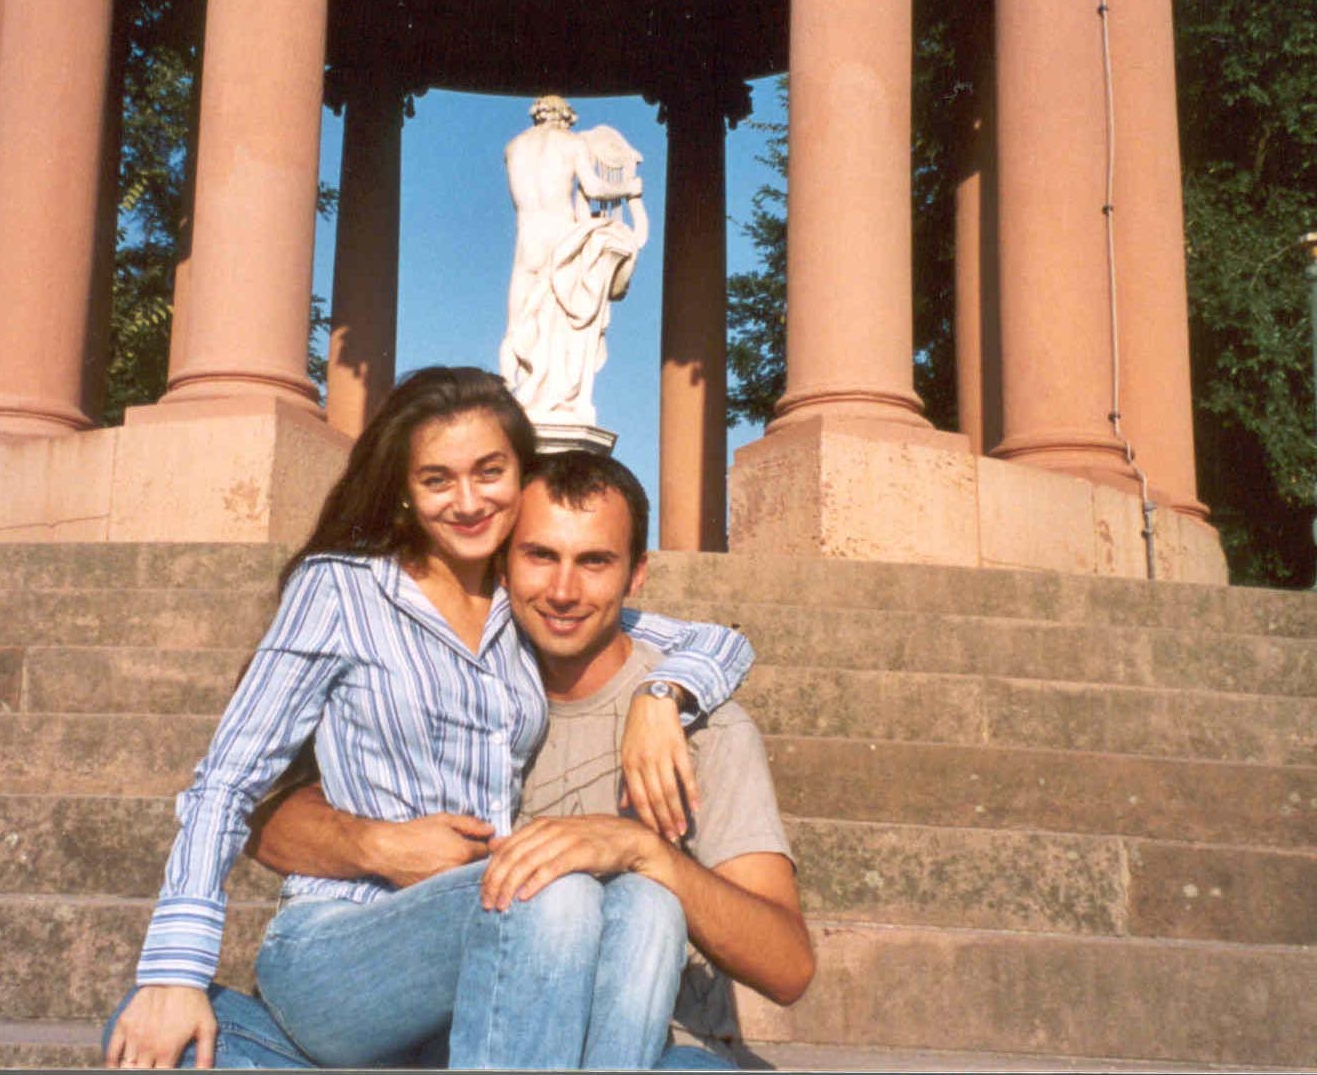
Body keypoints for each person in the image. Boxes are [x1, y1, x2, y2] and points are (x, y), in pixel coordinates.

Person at [104, 367, 754, 1069]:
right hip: (343, 942)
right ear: (405, 491)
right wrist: (173, 974)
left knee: (650, 906)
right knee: (549, 889)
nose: (468, 502)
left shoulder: (521, 599)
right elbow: (227, 781)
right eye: (437, 479)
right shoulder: (342, 588)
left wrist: (661, 696)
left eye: (489, 472)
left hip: (498, 934)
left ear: (521, 474)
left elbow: (719, 642)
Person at [240, 452, 814, 1069]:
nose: (563, 592)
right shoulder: (450, 680)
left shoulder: (704, 730)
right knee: (198, 1032)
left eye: (594, 562)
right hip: (478, 1027)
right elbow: (263, 819)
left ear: (636, 574)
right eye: (540, 555)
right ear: (503, 564)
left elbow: (787, 967)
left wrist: (645, 852)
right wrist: (378, 845)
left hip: (657, 1045)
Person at [500, 95, 649, 426]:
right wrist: (630, 186)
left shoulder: (513, 147)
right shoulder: (572, 143)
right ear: (566, 117)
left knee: (519, 322)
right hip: (560, 236)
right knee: (561, 325)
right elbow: (594, 188)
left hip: (527, 240)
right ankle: (554, 398)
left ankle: (514, 392)